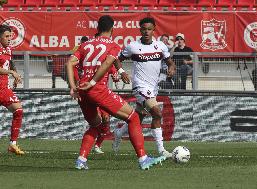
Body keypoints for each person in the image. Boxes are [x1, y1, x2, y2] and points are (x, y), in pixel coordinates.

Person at [66, 15, 166, 170]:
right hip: (96, 89)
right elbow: (107, 63)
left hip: (82, 91)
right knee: (133, 117)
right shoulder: (112, 45)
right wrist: (93, 82)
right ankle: (143, 158)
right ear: (112, 29)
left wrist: (73, 87)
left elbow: (69, 63)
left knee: (96, 125)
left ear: (97, 28)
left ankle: (81, 160)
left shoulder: (85, 44)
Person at [112, 17, 176, 158]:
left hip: (153, 87)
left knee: (137, 118)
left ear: (154, 30)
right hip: (140, 86)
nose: (146, 32)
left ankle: (119, 132)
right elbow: (116, 59)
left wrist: (171, 68)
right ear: (140, 30)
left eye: (149, 29)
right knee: (157, 113)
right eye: (144, 29)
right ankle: (161, 150)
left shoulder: (160, 46)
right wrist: (121, 72)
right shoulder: (133, 46)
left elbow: (170, 62)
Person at [0, 24, 24, 155]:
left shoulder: (8, 49)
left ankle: (12, 144)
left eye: (10, 36)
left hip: (3, 88)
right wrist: (10, 72)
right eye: (6, 36)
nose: (9, 38)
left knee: (18, 110)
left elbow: (10, 63)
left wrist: (15, 73)